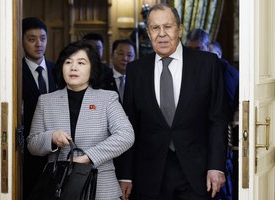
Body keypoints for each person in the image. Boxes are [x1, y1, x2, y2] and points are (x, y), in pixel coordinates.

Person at [119, 3, 228, 200]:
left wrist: (216, 166)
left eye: (167, 27)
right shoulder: (136, 71)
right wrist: (126, 175)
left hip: (198, 174)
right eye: (155, 28)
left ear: (179, 29)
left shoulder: (208, 64)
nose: (162, 34)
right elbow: (129, 126)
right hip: (149, 176)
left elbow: (217, 120)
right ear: (148, 32)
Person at [27, 40, 135, 199]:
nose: (73, 67)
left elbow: (126, 135)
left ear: (92, 68)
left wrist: (88, 157)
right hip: (59, 186)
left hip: (101, 187)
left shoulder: (107, 98)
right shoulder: (45, 101)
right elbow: (32, 144)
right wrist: (51, 137)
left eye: (81, 62)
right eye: (68, 62)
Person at [186, 29, 239, 200]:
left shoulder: (223, 69)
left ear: (208, 46)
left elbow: (227, 108)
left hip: (216, 138)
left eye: (198, 49)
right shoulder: (185, 68)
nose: (193, 54)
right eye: (190, 49)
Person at [22, 17, 57, 199]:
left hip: (57, 150)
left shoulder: (58, 70)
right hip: (27, 152)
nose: (38, 44)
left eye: (42, 38)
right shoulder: (15, 72)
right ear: (21, 41)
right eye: (31, 39)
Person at [102, 39, 136, 103]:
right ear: (112, 55)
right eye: (121, 54)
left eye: (129, 55)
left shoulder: (139, 81)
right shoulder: (102, 80)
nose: (125, 58)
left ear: (134, 58)